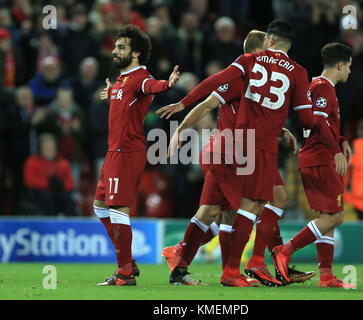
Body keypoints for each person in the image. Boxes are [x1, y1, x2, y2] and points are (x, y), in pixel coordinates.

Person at [157, 20, 314, 287]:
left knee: (212, 211)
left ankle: (181, 263)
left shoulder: (253, 74)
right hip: (236, 151)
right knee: (259, 204)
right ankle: (259, 264)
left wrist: (279, 130)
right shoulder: (244, 77)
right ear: (260, 49)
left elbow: (257, 113)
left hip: (231, 150)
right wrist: (182, 125)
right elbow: (207, 105)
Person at [93, 24, 180, 286]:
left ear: (136, 53)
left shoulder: (141, 77)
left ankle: (125, 272)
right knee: (99, 208)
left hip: (127, 152)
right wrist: (113, 94)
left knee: (118, 210)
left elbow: (153, 86)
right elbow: (128, 102)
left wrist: (168, 84)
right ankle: (127, 262)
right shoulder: (121, 80)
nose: (115, 51)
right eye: (116, 46)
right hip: (113, 153)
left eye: (122, 47)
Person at [271, 42, 356, 288]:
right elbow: (317, 123)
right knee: (336, 217)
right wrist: (335, 152)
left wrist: (340, 140)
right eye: (349, 66)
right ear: (340, 64)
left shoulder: (318, 87)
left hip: (314, 156)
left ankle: (326, 275)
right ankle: (285, 251)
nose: (349, 71)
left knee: (327, 215)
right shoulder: (323, 88)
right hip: (319, 158)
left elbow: (322, 123)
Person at [23, 133, 75, 216]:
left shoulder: (63, 163)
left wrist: (61, 184)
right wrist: (48, 183)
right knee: (46, 197)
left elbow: (70, 183)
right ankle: (49, 224)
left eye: (52, 148)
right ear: (40, 149)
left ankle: (71, 224)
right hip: (40, 195)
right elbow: (30, 181)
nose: (50, 151)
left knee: (68, 199)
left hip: (59, 193)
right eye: (47, 148)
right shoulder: (32, 162)